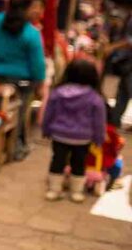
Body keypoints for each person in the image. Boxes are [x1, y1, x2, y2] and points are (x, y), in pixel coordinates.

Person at [0, 0, 47, 160]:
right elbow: (37, 65)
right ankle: (16, 148)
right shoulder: (31, 33)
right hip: (21, 84)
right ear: (27, 9)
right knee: (19, 115)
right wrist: (40, 83)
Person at [41, 59, 107, 202]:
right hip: (83, 138)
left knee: (57, 161)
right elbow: (99, 121)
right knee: (79, 163)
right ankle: (76, 192)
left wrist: (45, 129)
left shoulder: (57, 93)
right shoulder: (95, 98)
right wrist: (99, 138)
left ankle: (54, 190)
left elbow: (48, 113)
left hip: (59, 135)